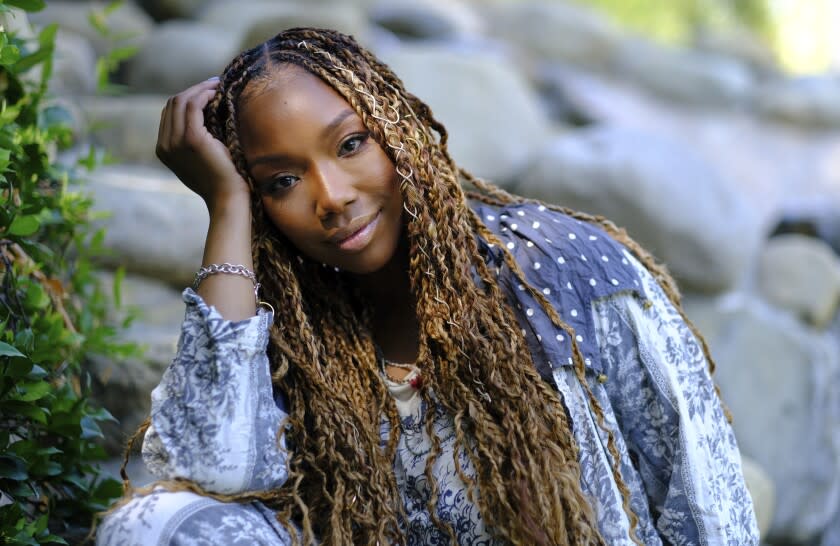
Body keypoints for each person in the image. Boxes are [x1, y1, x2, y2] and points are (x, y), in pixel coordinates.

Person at [96, 27, 760, 545]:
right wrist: (227, 207)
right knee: (151, 524)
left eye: (350, 144)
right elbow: (210, 470)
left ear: (398, 130)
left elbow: (704, 497)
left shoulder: (567, 274)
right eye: (281, 181)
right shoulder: (302, 332)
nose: (332, 196)